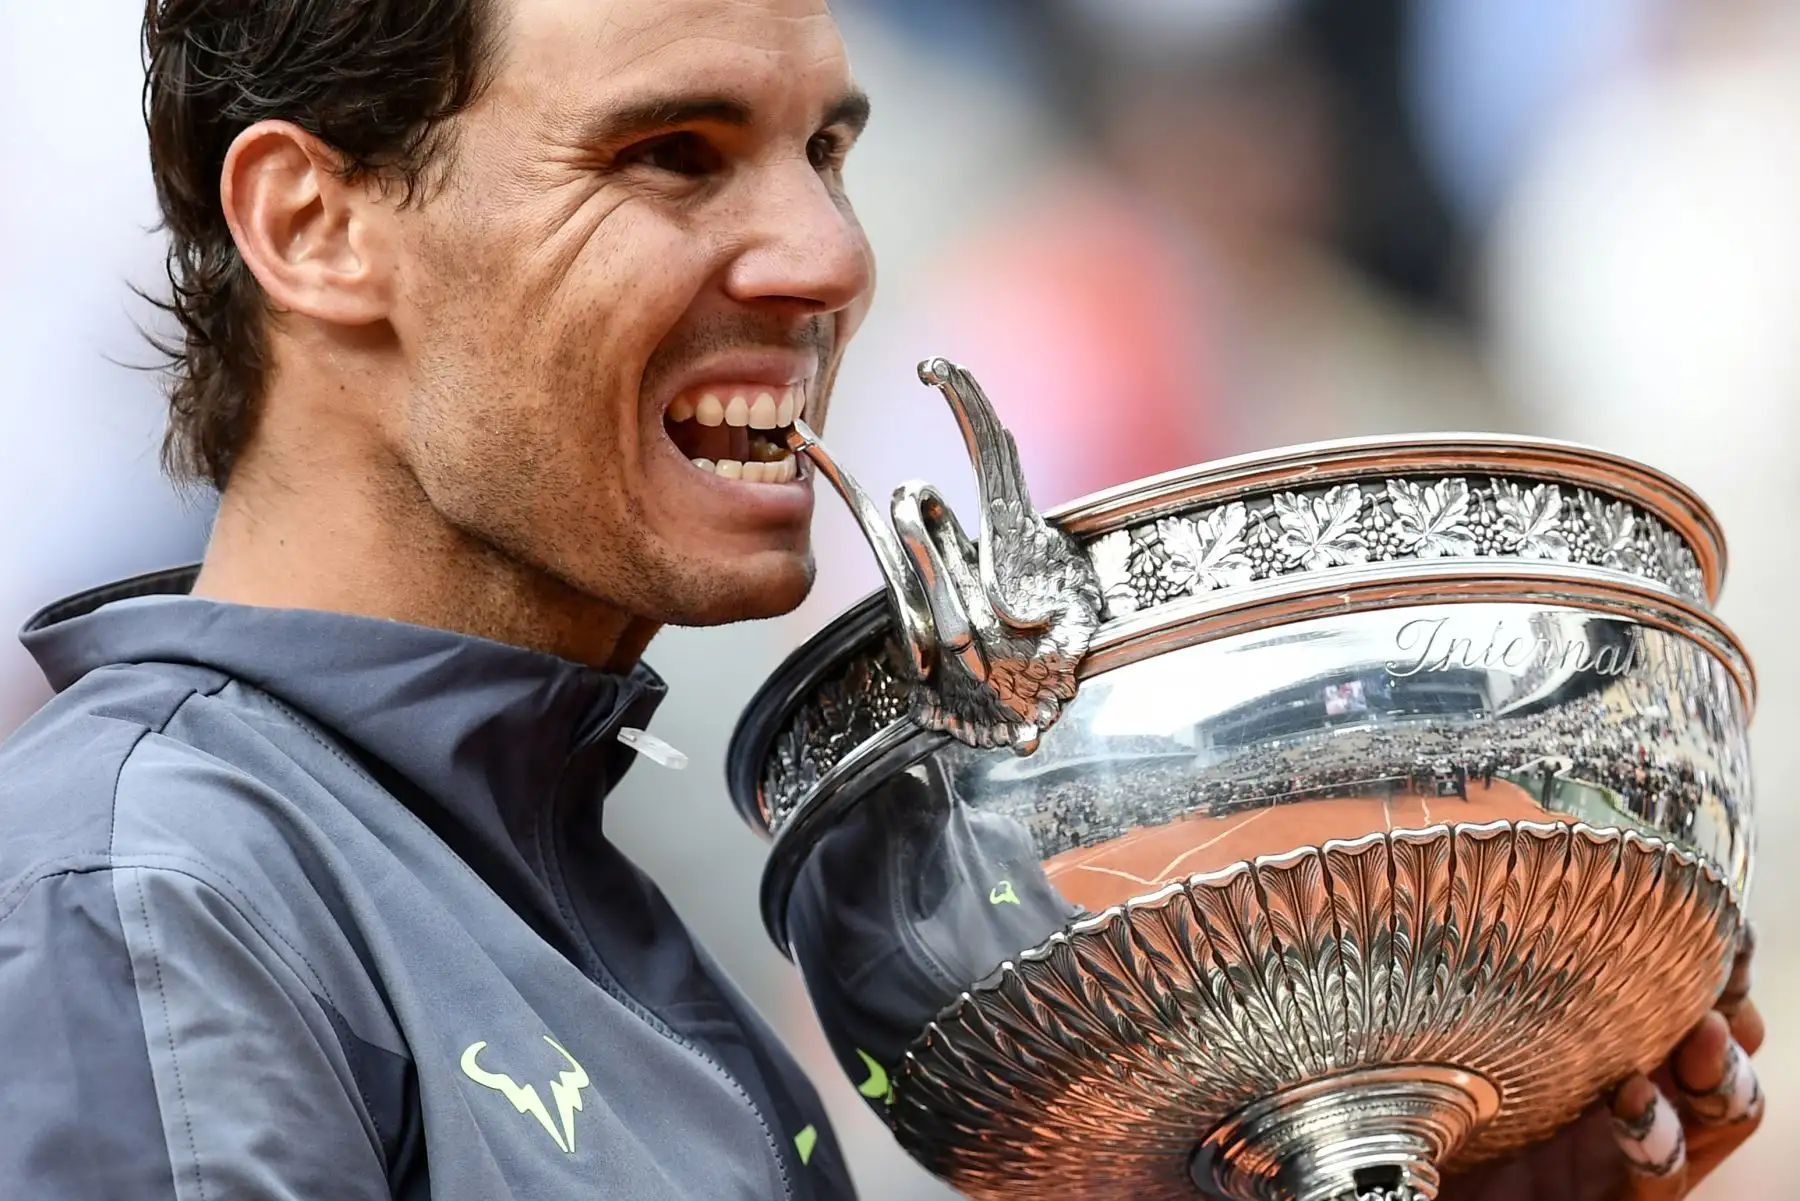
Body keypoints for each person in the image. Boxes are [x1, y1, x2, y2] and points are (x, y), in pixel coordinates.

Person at [0, 0, 1762, 1198]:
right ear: (314, 226)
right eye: (671, 154)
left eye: (826, 153)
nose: (831, 257)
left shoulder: (595, 921)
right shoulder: (159, 898)